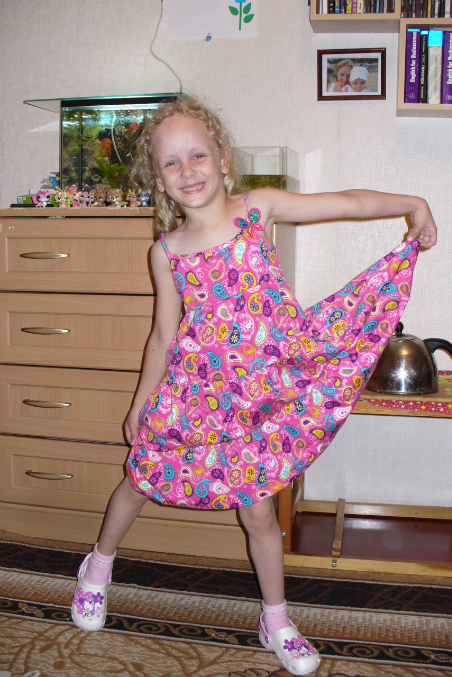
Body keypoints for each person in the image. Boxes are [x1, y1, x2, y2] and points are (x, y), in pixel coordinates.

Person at [71, 97, 437, 676]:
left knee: (260, 514)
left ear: (223, 160)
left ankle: (277, 619)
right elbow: (163, 334)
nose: (187, 170)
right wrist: (141, 402)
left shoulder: (256, 210)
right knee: (139, 479)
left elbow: (345, 203)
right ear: (158, 180)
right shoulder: (166, 252)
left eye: (197, 155)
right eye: (171, 163)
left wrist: (412, 204)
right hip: (193, 396)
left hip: (258, 399)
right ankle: (97, 565)